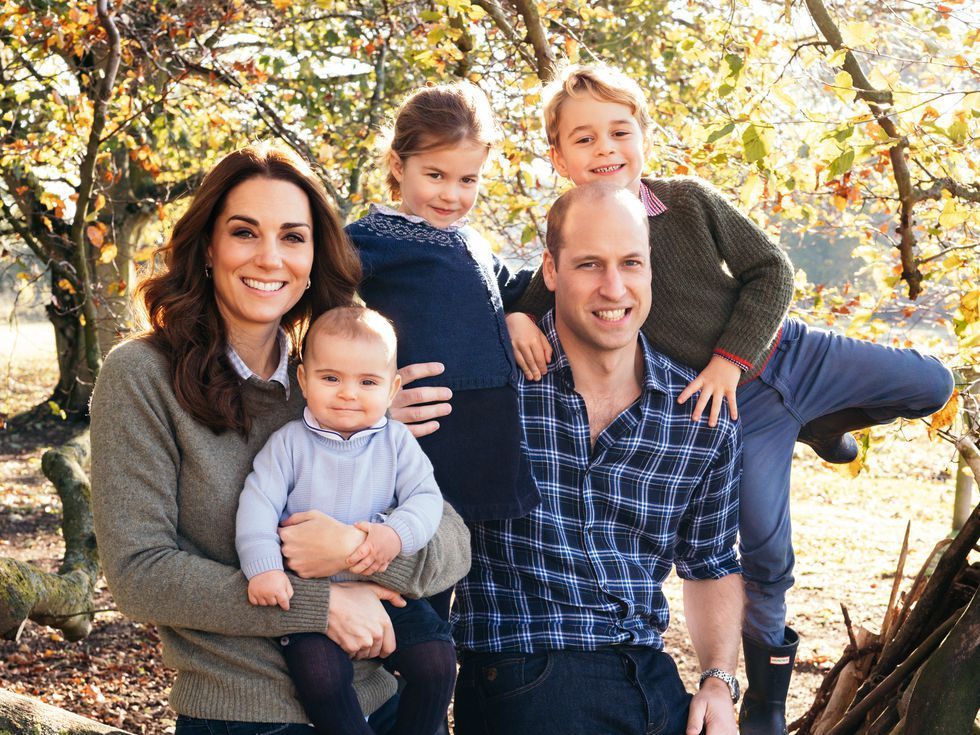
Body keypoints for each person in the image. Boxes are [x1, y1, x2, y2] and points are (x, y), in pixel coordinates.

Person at [504, 63, 955, 733]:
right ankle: (768, 703)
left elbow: (772, 270)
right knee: (766, 549)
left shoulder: (686, 200)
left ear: (644, 137)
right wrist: (515, 315)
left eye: (620, 132)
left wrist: (729, 357)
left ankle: (830, 423)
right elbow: (544, 290)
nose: (606, 151)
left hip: (791, 353)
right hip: (741, 413)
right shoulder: (576, 230)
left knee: (934, 383)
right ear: (558, 157)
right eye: (584, 139)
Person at [89, 143, 471, 735]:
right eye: (245, 232)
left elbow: (452, 539)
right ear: (208, 247)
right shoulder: (141, 376)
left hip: (381, 700)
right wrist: (321, 604)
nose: (270, 258)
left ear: (316, 256)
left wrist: (354, 551)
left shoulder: (334, 380)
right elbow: (141, 574)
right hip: (245, 715)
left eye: (293, 237)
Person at [448, 182, 744, 735]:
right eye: (589, 265)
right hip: (526, 670)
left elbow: (711, 563)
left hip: (654, 683)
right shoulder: (489, 387)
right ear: (551, 271)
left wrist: (718, 680)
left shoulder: (699, 415)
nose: (614, 287)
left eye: (631, 263)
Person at [345, 81, 541, 620]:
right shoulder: (373, 239)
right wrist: (368, 389)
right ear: (397, 163)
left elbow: (510, 287)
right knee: (414, 589)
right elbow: (318, 305)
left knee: (472, 598)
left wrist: (517, 313)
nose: (451, 194)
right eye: (435, 175)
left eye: (468, 179)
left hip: (489, 441)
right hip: (430, 441)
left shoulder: (472, 241)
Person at [236, 305, 456, 735]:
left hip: (383, 591)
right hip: (310, 598)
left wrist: (395, 535)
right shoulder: (289, 445)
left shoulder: (396, 443)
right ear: (303, 379)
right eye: (331, 378)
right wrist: (262, 569)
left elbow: (426, 498)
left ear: (392, 389)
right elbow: (256, 507)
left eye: (368, 382)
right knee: (321, 674)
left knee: (436, 662)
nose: (348, 393)